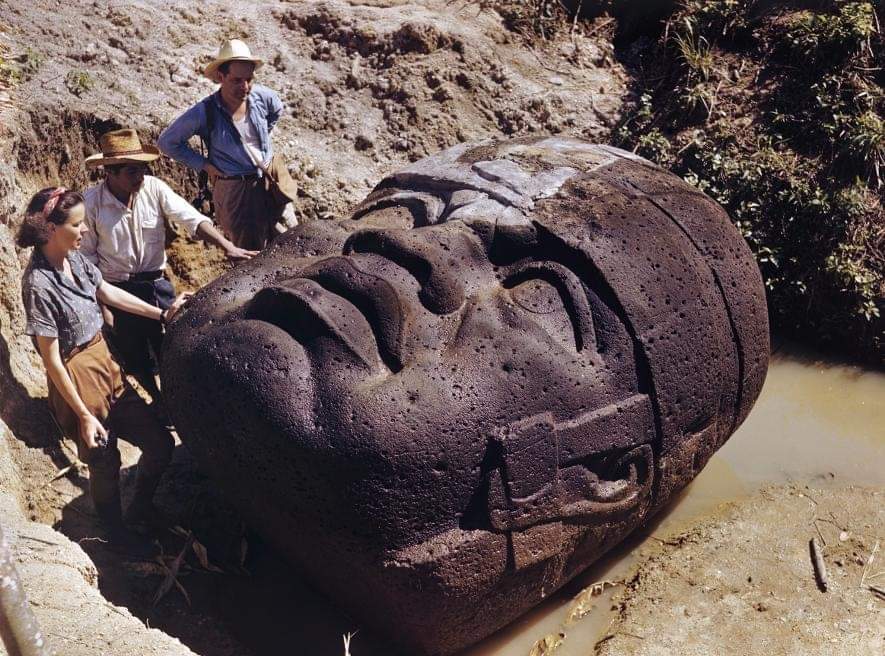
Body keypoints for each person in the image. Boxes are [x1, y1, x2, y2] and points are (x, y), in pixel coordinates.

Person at [17, 187, 189, 542]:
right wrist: (82, 414)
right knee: (103, 462)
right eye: (77, 224)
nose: (84, 231)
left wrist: (161, 314)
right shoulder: (38, 284)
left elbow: (107, 293)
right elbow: (51, 361)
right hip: (76, 375)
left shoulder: (76, 259)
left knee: (159, 444)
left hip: (105, 362)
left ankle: (140, 506)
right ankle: (114, 533)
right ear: (50, 229)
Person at [82, 128, 256, 399]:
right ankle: (156, 398)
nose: (140, 177)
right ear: (110, 172)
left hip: (156, 285)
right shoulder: (91, 203)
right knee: (133, 352)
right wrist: (103, 305)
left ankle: (180, 399)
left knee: (174, 342)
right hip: (117, 289)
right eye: (132, 171)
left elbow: (191, 218)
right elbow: (88, 260)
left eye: (142, 169)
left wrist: (228, 247)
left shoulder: (154, 189)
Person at [158, 38, 299, 251]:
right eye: (236, 80)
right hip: (236, 190)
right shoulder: (205, 112)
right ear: (221, 77)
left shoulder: (262, 97)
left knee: (292, 241)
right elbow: (168, 142)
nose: (245, 87)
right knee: (250, 255)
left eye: (249, 79)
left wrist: (263, 146)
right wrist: (204, 165)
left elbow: (276, 109)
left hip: (271, 181)